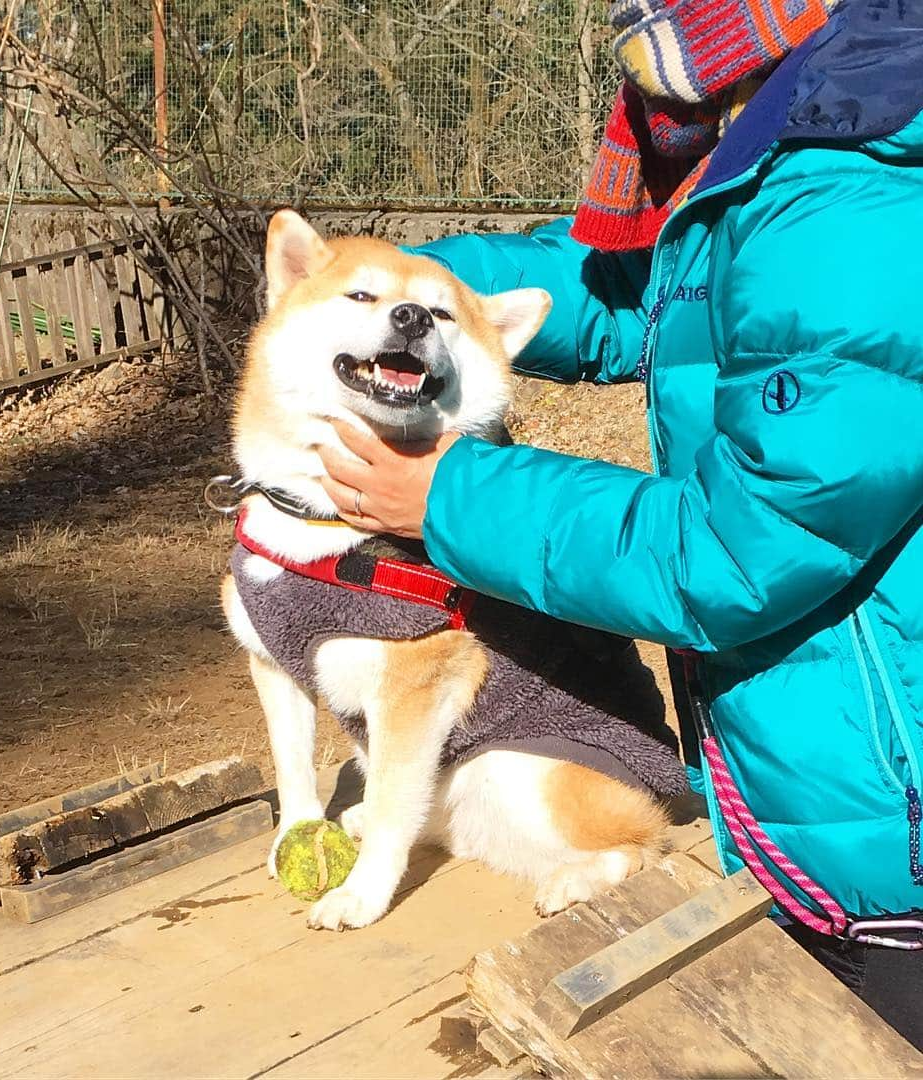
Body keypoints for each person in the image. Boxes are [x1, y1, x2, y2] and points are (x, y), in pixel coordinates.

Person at [319, 0, 923, 1047]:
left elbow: (742, 547)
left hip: (891, 840)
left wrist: (448, 499)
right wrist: (394, 292)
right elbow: (642, 300)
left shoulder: (844, 190)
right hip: (828, 796)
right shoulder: (773, 143)